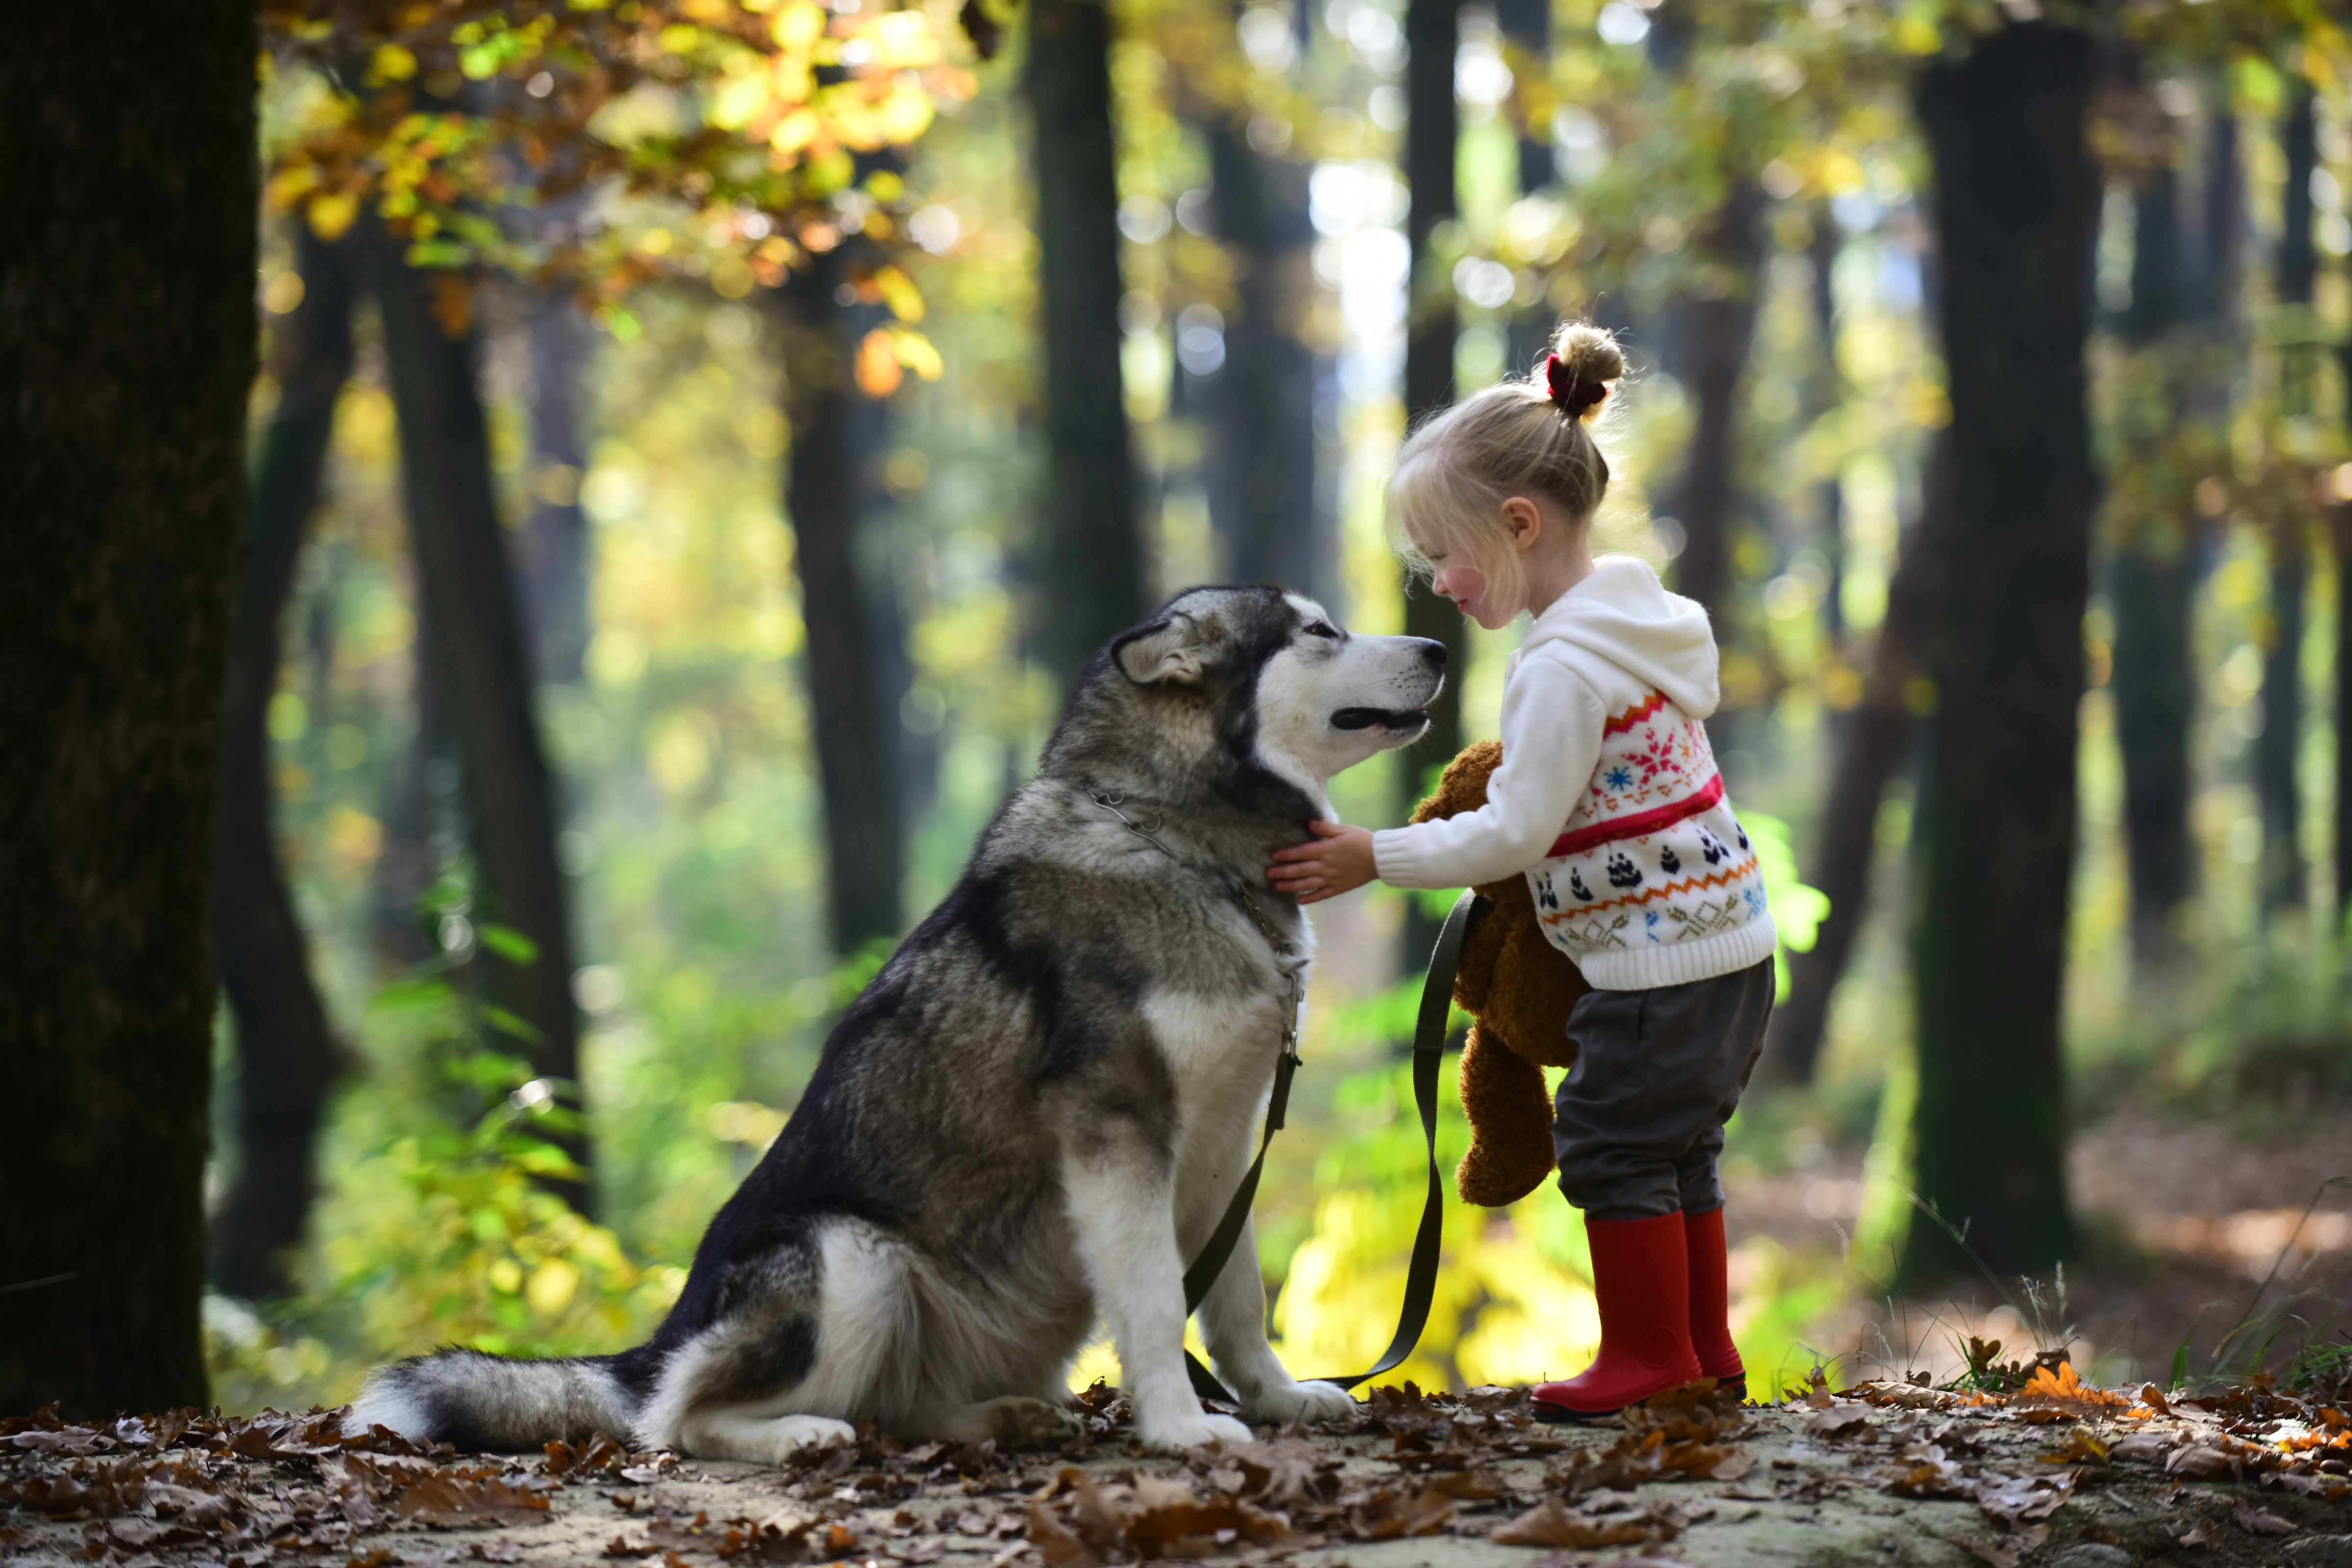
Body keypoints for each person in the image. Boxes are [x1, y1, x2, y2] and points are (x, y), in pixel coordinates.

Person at [1268, 321, 1777, 1420]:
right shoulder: (1642, 625)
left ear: (1517, 524)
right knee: (1680, 1149)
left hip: (1655, 966)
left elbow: (1514, 834)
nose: (1439, 583)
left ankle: (1649, 1354)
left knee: (1612, 1147)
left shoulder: (1562, 667)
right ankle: (1703, 1351)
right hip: (1730, 947)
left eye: (1442, 556)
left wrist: (1374, 855)